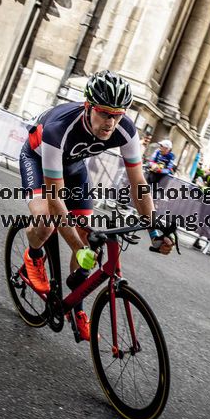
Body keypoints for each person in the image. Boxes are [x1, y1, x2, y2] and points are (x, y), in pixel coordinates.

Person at [19, 70, 173, 340]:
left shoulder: (125, 130)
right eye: (104, 113)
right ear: (88, 107)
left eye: (118, 114)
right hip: (37, 158)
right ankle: (32, 256)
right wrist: (78, 249)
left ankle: (76, 309)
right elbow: (55, 199)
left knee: (86, 235)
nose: (111, 122)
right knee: (45, 220)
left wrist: (155, 231)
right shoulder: (59, 129)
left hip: (75, 168)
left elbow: (138, 183)